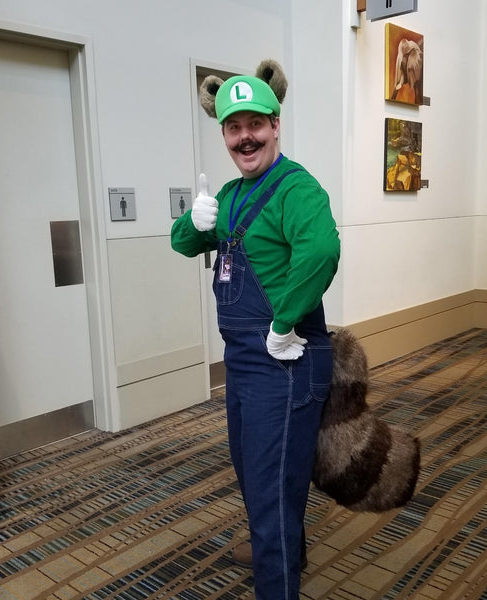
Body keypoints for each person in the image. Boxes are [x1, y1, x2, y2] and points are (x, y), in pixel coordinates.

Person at [170, 67, 340, 600]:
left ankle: (277, 576)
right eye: (232, 126)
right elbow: (183, 247)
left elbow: (322, 252)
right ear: (223, 134)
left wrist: (285, 322)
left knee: (270, 489)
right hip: (245, 362)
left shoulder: (297, 188)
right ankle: (285, 547)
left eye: (255, 125)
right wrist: (192, 223)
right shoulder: (229, 193)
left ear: (275, 124)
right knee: (256, 476)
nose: (245, 136)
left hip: (286, 359)